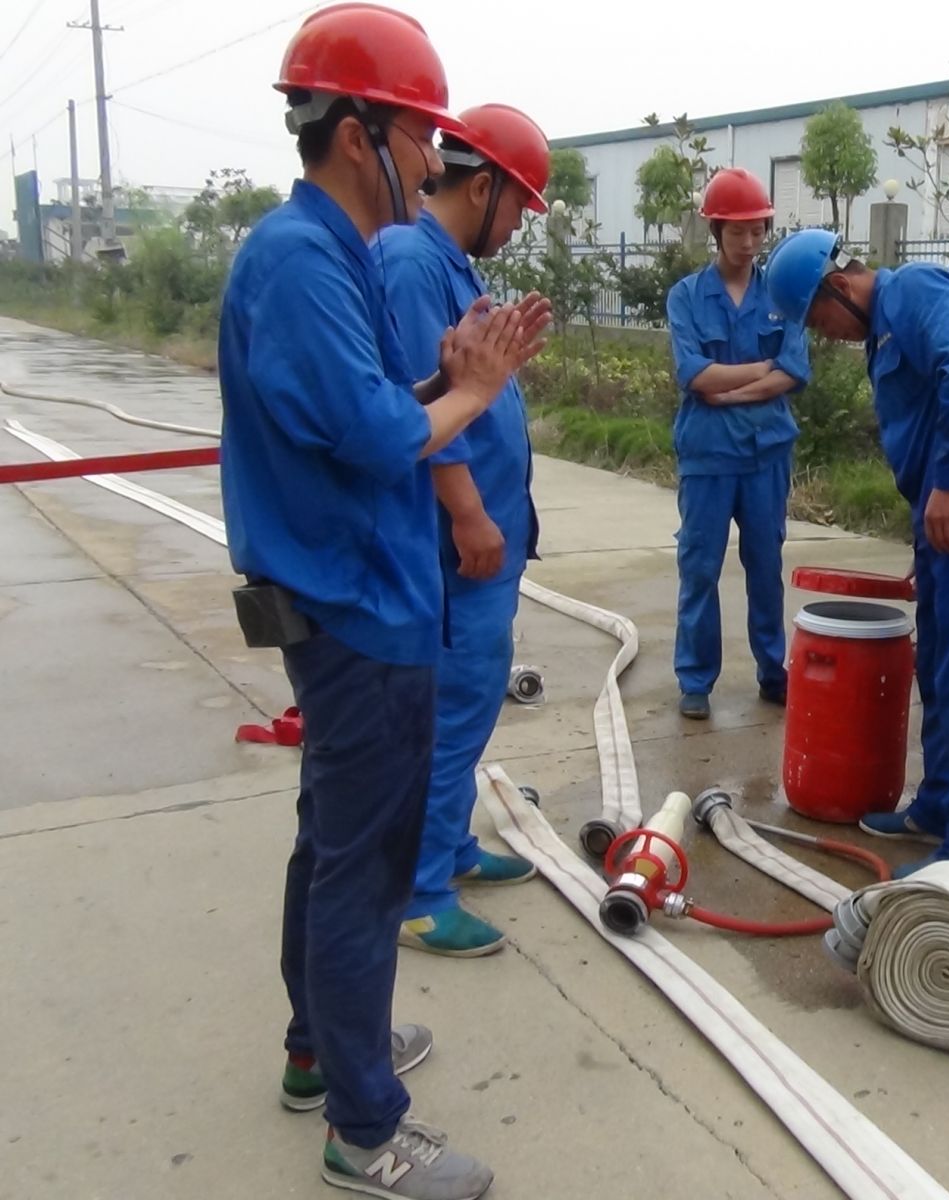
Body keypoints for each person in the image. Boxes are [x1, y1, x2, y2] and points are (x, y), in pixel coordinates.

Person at [219, 7, 549, 1196]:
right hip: (356, 612)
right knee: (363, 871)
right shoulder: (302, 260)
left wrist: (443, 379)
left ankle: (324, 1051)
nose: (431, 160)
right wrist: (474, 388)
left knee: (333, 846)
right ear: (358, 134)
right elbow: (375, 437)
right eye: (419, 136)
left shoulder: (335, 253)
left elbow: (362, 407)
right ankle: (364, 1129)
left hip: (359, 600)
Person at [764, 228, 949, 878]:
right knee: (939, 667)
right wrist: (928, 524)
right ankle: (941, 805)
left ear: (838, 287)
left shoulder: (913, 288)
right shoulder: (884, 324)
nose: (826, 335)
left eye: (818, 321)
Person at [376, 103, 551, 958]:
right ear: (483, 187)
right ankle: (418, 892)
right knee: (449, 712)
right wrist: (469, 512)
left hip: (485, 534)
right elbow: (426, 405)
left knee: (474, 700)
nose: (517, 227)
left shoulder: (446, 264)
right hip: (458, 540)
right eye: (518, 206)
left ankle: (448, 848)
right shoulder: (414, 263)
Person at [665, 167, 811, 721]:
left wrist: (727, 388)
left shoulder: (783, 292)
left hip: (766, 454)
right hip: (707, 455)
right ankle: (695, 679)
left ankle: (773, 671)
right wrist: (760, 370)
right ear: (716, 231)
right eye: (737, 231)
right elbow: (693, 373)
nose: (749, 243)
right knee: (699, 567)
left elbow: (792, 371)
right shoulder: (686, 296)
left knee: (765, 565)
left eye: (757, 231)